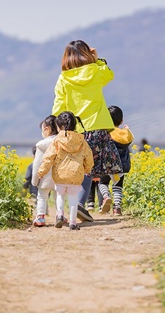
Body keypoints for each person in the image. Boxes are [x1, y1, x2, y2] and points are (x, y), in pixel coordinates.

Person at [50, 40, 122, 216]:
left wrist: (58, 128)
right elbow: (109, 75)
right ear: (87, 54)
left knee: (83, 169)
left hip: (76, 129)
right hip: (98, 128)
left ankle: (81, 204)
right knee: (97, 168)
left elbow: (59, 105)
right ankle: (91, 203)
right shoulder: (96, 71)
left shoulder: (63, 78)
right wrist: (98, 60)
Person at [36, 111, 93, 231]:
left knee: (60, 196)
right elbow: (89, 156)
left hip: (60, 175)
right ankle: (73, 223)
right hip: (75, 175)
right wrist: (87, 169)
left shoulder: (57, 140)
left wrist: (41, 172)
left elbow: (48, 157)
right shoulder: (81, 140)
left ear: (59, 126)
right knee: (73, 199)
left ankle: (59, 215)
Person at [29, 115, 65, 227]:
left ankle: (40, 217)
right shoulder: (63, 142)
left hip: (44, 178)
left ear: (46, 129)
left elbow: (37, 165)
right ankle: (60, 215)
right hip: (60, 177)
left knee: (42, 197)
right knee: (59, 196)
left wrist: (35, 181)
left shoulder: (41, 146)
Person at [98, 105, 133, 215]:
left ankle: (106, 197)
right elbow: (129, 137)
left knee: (102, 183)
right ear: (121, 120)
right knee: (118, 186)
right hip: (121, 166)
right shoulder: (126, 134)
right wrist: (126, 130)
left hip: (107, 164)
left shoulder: (107, 132)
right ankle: (116, 208)